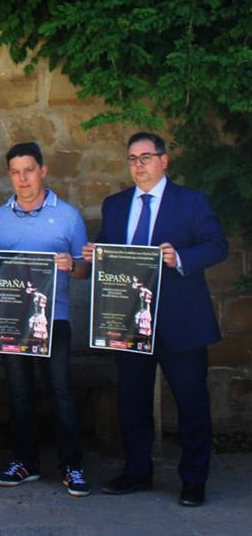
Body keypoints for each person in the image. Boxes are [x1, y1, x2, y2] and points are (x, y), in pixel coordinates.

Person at [83, 132, 228, 507]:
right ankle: (136, 471)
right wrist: (96, 254)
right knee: (132, 401)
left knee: (192, 402)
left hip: (182, 319)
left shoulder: (191, 202)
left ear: (164, 161)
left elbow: (217, 246)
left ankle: (193, 480)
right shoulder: (115, 205)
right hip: (130, 320)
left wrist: (178, 257)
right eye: (132, 158)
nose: (139, 164)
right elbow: (111, 257)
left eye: (146, 157)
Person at [0, 141, 91, 497]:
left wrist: (72, 265)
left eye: (29, 170)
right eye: (15, 172)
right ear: (9, 175)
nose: (22, 178)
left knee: (61, 392)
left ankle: (72, 465)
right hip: (10, 321)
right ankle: (25, 461)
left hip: (52, 318)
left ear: (43, 170)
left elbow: (84, 269)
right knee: (19, 391)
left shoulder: (68, 216)